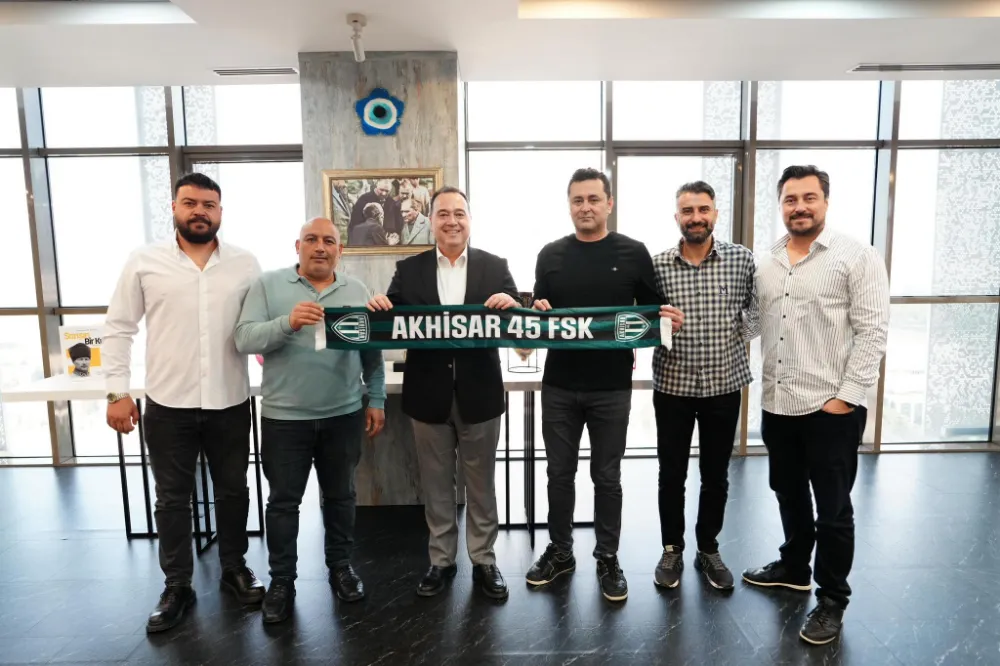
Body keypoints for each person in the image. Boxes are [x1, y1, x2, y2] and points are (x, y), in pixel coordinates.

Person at [104, 172, 264, 633]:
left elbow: (259, 326)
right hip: (167, 403)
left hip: (229, 400)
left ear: (220, 212)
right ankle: (177, 585)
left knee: (233, 491)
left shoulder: (245, 263)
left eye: (208, 205)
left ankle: (235, 568)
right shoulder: (144, 261)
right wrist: (117, 393)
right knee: (172, 499)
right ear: (174, 207)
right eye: (190, 203)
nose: (199, 212)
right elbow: (119, 327)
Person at [742, 165, 889, 646]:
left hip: (830, 409)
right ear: (780, 205)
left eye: (809, 197)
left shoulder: (857, 256)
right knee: (787, 492)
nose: (799, 207)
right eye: (790, 199)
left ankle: (832, 599)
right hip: (778, 404)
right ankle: (794, 566)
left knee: (833, 510)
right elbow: (752, 323)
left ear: (825, 201)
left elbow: (872, 331)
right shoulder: (766, 261)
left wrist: (846, 398)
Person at [526, 167, 683, 603]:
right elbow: (539, 312)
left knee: (607, 476)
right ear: (569, 206)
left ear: (609, 203)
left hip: (612, 387)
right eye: (578, 200)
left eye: (594, 199)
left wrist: (666, 318)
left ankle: (607, 557)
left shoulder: (633, 252)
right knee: (559, 473)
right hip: (559, 385)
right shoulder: (550, 255)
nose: (586, 207)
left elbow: (652, 310)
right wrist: (537, 310)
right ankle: (560, 551)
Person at [366, 186, 518, 600]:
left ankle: (484, 560)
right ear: (430, 221)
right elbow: (391, 317)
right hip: (427, 393)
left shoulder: (495, 267)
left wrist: (511, 302)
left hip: (480, 393)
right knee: (435, 484)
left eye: (459, 213)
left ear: (470, 220)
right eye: (443, 214)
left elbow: (519, 321)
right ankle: (441, 561)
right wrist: (380, 304)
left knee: (481, 484)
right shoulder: (409, 269)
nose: (452, 221)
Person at [235, 217, 387, 624]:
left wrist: (377, 398)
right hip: (285, 419)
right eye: (312, 240)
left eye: (329, 241)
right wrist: (287, 322)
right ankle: (282, 581)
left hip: (344, 415)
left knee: (341, 497)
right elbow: (244, 338)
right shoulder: (268, 285)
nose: (320, 247)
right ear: (297, 246)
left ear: (340, 250)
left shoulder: (357, 290)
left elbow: (371, 352)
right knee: (283, 503)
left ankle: (341, 568)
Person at [650, 181, 759, 592]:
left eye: (703, 209)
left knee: (716, 475)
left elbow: (756, 312)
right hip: (673, 386)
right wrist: (660, 325)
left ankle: (708, 548)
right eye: (687, 210)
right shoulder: (657, 265)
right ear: (676, 217)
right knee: (671, 474)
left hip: (724, 384)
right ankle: (672, 548)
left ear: (715, 213)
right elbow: (642, 320)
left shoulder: (741, 260)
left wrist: (731, 337)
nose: (695, 217)